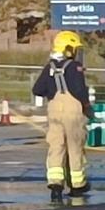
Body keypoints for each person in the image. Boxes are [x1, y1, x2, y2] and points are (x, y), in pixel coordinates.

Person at [32, 31, 94, 199]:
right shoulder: (75, 67)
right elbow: (79, 90)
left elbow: (37, 90)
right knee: (75, 147)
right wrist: (87, 107)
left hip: (54, 111)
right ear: (68, 49)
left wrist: (52, 91)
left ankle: (55, 184)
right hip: (72, 110)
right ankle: (77, 185)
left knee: (56, 146)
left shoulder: (49, 67)